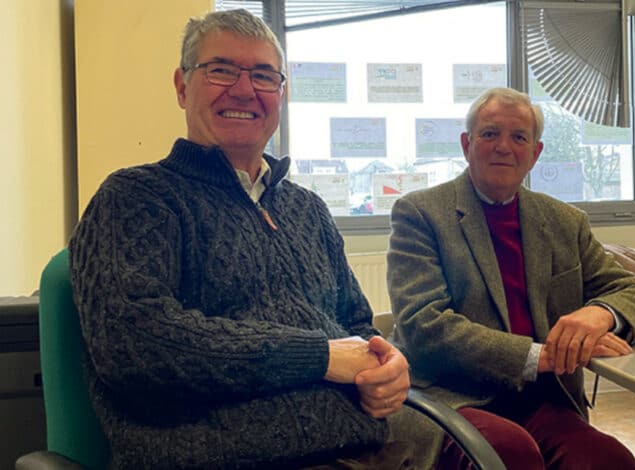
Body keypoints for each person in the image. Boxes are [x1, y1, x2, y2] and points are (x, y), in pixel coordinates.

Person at [69, 9, 412, 469]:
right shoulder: (135, 199)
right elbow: (134, 343)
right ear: (181, 86)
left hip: (362, 447)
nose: (245, 90)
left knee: (503, 447)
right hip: (224, 458)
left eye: (264, 76)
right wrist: (317, 357)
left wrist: (387, 365)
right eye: (222, 70)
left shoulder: (307, 209)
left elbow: (354, 323)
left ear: (281, 94)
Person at [387, 87, 635, 469]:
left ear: (535, 153)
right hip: (450, 395)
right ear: (467, 144)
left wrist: (600, 314)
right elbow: (424, 326)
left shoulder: (566, 222)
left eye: (519, 137)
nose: (504, 146)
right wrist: (539, 356)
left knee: (610, 460)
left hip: (541, 400)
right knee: (510, 454)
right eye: (489, 133)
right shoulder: (420, 213)